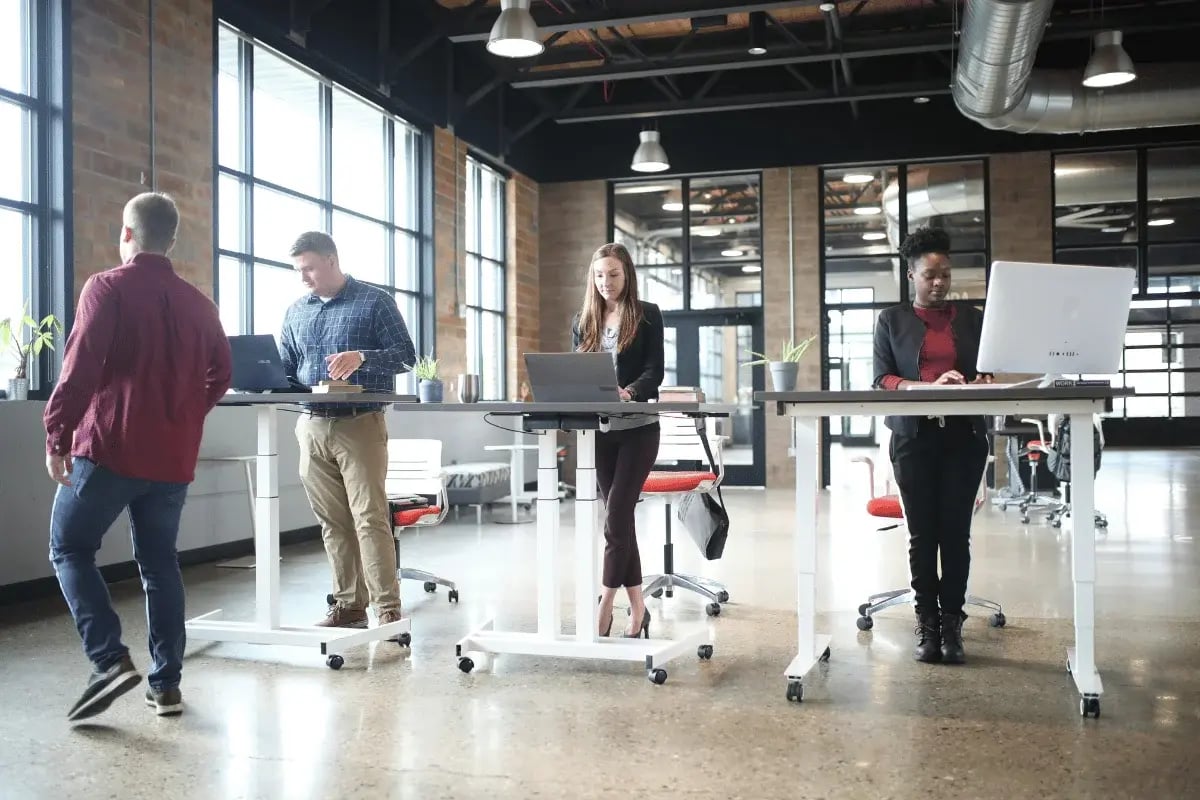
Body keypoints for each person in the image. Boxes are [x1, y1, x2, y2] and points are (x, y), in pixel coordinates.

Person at [44, 192, 232, 721]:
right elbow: (223, 372)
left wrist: (57, 434)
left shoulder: (107, 287)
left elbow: (79, 368)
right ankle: (165, 686)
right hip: (171, 460)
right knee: (159, 565)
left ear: (127, 234)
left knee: (69, 548)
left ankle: (108, 660)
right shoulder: (200, 303)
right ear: (172, 239)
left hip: (110, 448)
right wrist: (185, 413)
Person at [280, 231, 415, 631]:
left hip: (360, 424)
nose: (303, 277)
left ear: (332, 260)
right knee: (332, 523)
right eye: (298, 270)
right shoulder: (295, 311)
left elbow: (406, 357)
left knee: (369, 518)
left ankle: (388, 609)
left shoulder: (375, 302)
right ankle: (348, 605)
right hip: (311, 426)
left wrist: (363, 357)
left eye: (309, 268)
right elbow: (287, 367)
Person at [872, 226, 992, 665]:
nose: (939, 282)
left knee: (955, 535)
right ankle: (927, 621)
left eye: (944, 274)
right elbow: (882, 378)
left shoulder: (974, 317)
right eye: (929, 275)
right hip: (913, 437)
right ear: (911, 276)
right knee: (923, 536)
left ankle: (953, 623)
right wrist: (925, 384)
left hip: (964, 437)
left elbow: (989, 367)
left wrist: (982, 380)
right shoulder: (892, 320)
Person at [571, 243, 664, 639]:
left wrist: (629, 391)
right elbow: (575, 369)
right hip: (600, 431)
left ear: (626, 274)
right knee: (619, 520)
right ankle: (640, 606)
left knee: (615, 517)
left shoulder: (646, 315)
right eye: (599, 275)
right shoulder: (583, 320)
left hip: (638, 428)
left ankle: (605, 602)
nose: (606, 282)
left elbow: (654, 371)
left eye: (613, 274)